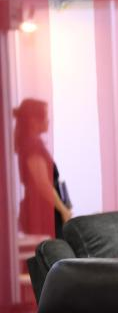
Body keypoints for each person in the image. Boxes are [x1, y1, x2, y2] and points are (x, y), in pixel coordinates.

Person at [13, 99, 71, 238]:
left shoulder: (29, 144)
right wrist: (63, 210)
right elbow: (42, 183)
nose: (48, 120)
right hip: (42, 211)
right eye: (45, 116)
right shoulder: (32, 146)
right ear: (33, 121)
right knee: (50, 249)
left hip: (41, 209)